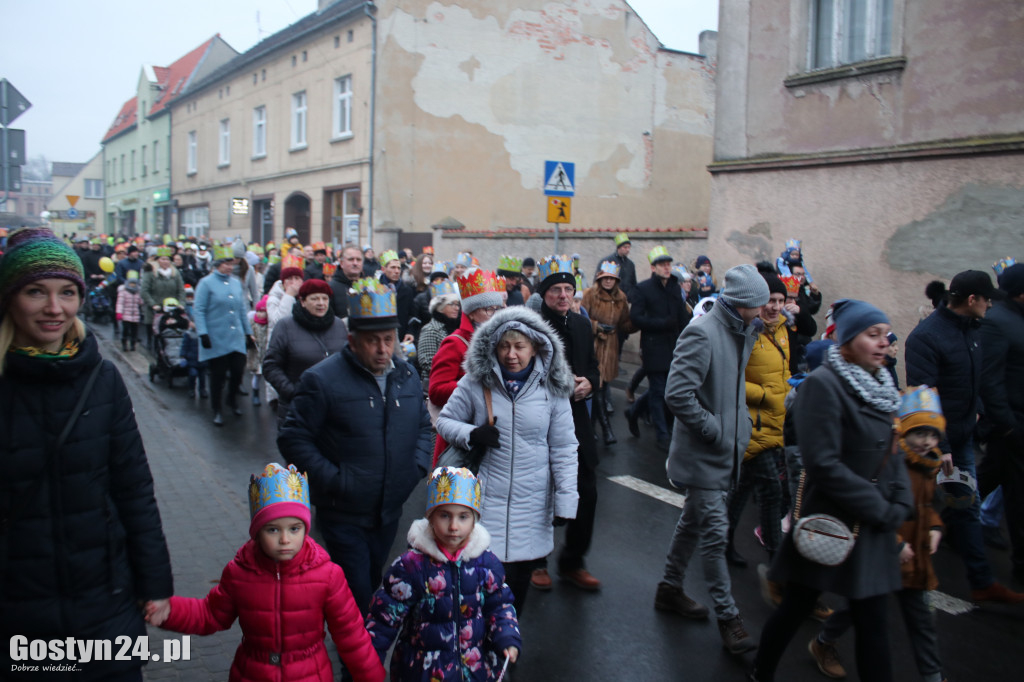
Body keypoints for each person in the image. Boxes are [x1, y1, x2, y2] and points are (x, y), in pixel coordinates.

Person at [0, 227, 173, 681]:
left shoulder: (103, 379)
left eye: (67, 292)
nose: (54, 308)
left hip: (105, 600)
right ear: (10, 298)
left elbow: (133, 486)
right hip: (18, 612)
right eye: (36, 291)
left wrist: (155, 583)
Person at [751, 299, 913, 682]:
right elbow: (823, 464)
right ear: (847, 339)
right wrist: (880, 507)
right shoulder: (823, 385)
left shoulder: (883, 385)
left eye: (885, 336)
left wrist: (902, 500)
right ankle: (761, 672)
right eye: (871, 335)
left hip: (870, 528)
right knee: (795, 608)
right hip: (831, 523)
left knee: (873, 623)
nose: (882, 343)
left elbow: (892, 448)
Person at [146, 463, 385, 682]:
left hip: (310, 674)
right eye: (272, 530)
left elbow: (351, 636)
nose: (284, 539)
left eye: (294, 528)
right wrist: (167, 611)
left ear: (305, 528)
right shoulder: (239, 572)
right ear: (257, 532)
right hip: (252, 673)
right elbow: (210, 615)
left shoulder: (328, 576)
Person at [278, 278, 432, 613]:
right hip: (343, 512)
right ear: (352, 341)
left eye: (388, 340)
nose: (382, 349)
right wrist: (337, 480)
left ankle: (359, 646)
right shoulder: (321, 380)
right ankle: (358, 659)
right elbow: (293, 437)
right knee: (358, 591)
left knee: (373, 579)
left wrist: (415, 469)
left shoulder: (405, 376)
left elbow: (423, 427)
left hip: (389, 508)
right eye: (372, 341)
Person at [654, 264, 769, 655]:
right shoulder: (702, 333)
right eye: (760, 305)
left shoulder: (742, 331)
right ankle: (728, 616)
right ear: (742, 304)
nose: (765, 310)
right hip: (704, 455)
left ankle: (669, 589)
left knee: (692, 523)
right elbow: (677, 394)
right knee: (716, 534)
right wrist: (715, 430)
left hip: (726, 452)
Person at [435, 306, 579, 615]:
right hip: (484, 504)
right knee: (478, 595)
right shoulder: (476, 382)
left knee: (515, 597)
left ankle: (505, 654)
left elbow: (565, 447)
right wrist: (473, 434)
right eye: (504, 345)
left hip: (533, 506)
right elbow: (445, 422)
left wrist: (566, 502)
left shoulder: (552, 389)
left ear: (535, 346)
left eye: (519, 346)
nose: (511, 354)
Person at [809, 386, 949, 682]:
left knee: (922, 623)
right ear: (904, 430)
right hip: (885, 553)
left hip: (917, 561)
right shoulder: (892, 461)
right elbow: (877, 507)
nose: (927, 441)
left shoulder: (929, 465)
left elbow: (927, 506)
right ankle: (823, 642)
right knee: (857, 609)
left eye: (934, 434)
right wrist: (896, 544)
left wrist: (935, 527)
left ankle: (933, 676)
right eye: (920, 433)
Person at [905, 270, 1023, 603]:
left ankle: (981, 582)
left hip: (962, 438)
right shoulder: (926, 337)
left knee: (966, 505)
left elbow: (979, 378)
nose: (990, 305)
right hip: (931, 445)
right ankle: (896, 574)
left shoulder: (972, 330)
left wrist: (979, 409)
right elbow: (923, 396)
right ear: (972, 300)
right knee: (915, 508)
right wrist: (940, 446)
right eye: (987, 299)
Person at [365, 467, 522, 680]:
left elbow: (500, 605)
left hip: (474, 670)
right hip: (422, 671)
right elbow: (384, 617)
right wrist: (368, 663)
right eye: (445, 515)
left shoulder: (486, 563)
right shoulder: (411, 566)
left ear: (474, 520)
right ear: (431, 518)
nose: (454, 526)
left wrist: (507, 636)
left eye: (463, 517)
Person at [533, 256, 602, 591]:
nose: (563, 295)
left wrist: (590, 382)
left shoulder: (581, 324)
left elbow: (593, 367)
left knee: (587, 489)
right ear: (544, 293)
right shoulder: (530, 325)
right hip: (540, 420)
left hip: (576, 418)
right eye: (556, 289)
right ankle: (535, 560)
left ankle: (573, 561)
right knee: (541, 491)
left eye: (568, 289)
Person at [977, 262, 1024, 585]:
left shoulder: (1014, 319)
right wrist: (1006, 424)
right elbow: (989, 378)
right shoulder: (998, 322)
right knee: (1018, 495)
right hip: (1012, 422)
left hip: (1015, 422)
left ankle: (950, 517)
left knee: (991, 473)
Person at [428, 268, 505, 463]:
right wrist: (476, 384)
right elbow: (436, 391)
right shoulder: (455, 343)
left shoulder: (500, 341)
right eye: (489, 309)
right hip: (462, 434)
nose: (495, 315)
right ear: (471, 313)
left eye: (498, 308)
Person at [627, 246, 691, 451]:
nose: (667, 268)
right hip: (654, 346)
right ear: (653, 268)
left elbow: (681, 315)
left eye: (668, 264)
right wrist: (661, 324)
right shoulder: (643, 288)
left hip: (674, 346)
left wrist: (689, 335)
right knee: (658, 391)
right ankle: (663, 434)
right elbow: (636, 317)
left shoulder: (674, 287)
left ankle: (634, 410)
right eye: (662, 264)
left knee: (668, 389)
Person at [263, 279, 348, 429]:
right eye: (314, 299)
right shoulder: (285, 326)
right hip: (297, 409)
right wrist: (293, 393)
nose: (321, 303)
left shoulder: (339, 325)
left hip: (333, 408)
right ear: (302, 301)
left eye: (325, 298)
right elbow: (271, 366)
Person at [194, 245, 255, 427]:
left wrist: (248, 333)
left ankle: (231, 400)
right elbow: (199, 309)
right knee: (218, 376)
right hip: (216, 336)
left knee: (237, 371)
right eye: (226, 264)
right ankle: (217, 409)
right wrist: (203, 333)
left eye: (231, 264)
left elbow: (242, 310)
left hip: (235, 336)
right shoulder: (206, 283)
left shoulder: (236, 283)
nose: (229, 267)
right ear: (217, 264)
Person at [582, 260, 633, 444]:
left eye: (612, 278)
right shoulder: (589, 295)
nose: (608, 281)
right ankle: (606, 430)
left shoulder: (621, 298)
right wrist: (596, 326)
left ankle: (592, 428)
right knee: (598, 388)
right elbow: (581, 318)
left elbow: (625, 323)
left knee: (600, 388)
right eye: (605, 278)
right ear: (599, 278)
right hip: (593, 345)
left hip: (610, 346)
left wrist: (638, 320)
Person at [417, 280, 461, 385]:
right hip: (436, 383)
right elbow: (426, 361)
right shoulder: (430, 329)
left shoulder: (457, 327)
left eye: (457, 304)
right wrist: (453, 369)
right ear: (440, 308)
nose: (457, 308)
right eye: (452, 304)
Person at [141, 248, 186, 351]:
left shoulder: (175, 273)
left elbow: (181, 290)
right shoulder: (150, 273)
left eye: (167, 259)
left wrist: (181, 303)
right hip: (156, 308)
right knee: (154, 332)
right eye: (163, 259)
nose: (165, 262)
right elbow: (144, 291)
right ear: (158, 260)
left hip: (171, 308)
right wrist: (153, 304)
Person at [378, 249, 416, 342]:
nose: (397, 271)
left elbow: (413, 314)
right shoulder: (375, 289)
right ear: (384, 269)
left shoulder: (407, 290)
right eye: (393, 267)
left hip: (401, 337)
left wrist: (410, 332)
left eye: (398, 268)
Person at [329, 243, 366, 319]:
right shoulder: (330, 288)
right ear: (341, 263)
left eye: (358, 260)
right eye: (351, 259)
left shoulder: (369, 287)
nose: (355, 263)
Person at [594, 232, 637, 296]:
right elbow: (597, 281)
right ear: (618, 248)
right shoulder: (607, 262)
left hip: (627, 299)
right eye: (625, 247)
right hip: (610, 298)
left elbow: (634, 283)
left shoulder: (631, 264)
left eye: (629, 247)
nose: (627, 250)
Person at [115, 269, 144, 351]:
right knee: (126, 330)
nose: (132, 285)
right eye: (131, 283)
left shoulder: (138, 291)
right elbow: (120, 303)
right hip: (126, 315)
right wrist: (119, 313)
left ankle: (133, 344)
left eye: (134, 284)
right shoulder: (123, 291)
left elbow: (141, 302)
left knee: (134, 331)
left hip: (135, 315)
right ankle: (124, 343)